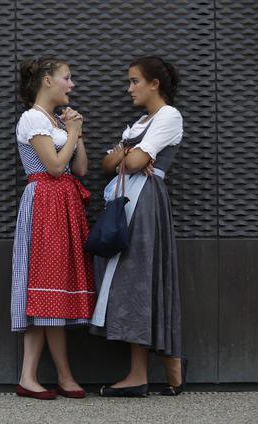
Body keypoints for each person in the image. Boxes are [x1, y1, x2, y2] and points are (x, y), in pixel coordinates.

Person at [91, 56, 185, 397]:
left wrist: (126, 154)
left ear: (154, 84)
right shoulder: (140, 123)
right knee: (128, 280)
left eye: (134, 82)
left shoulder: (169, 116)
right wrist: (128, 154)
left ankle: (154, 368)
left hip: (145, 203)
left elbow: (132, 161)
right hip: (127, 201)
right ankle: (139, 373)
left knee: (138, 278)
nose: (129, 88)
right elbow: (108, 164)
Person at [11, 56, 95, 400]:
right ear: (47, 81)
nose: (71, 84)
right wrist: (73, 132)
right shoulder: (32, 118)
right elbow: (55, 167)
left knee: (53, 289)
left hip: (63, 205)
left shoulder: (55, 120)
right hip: (45, 204)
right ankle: (54, 376)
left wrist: (76, 131)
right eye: (67, 77)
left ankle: (41, 376)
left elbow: (82, 168)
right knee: (46, 286)